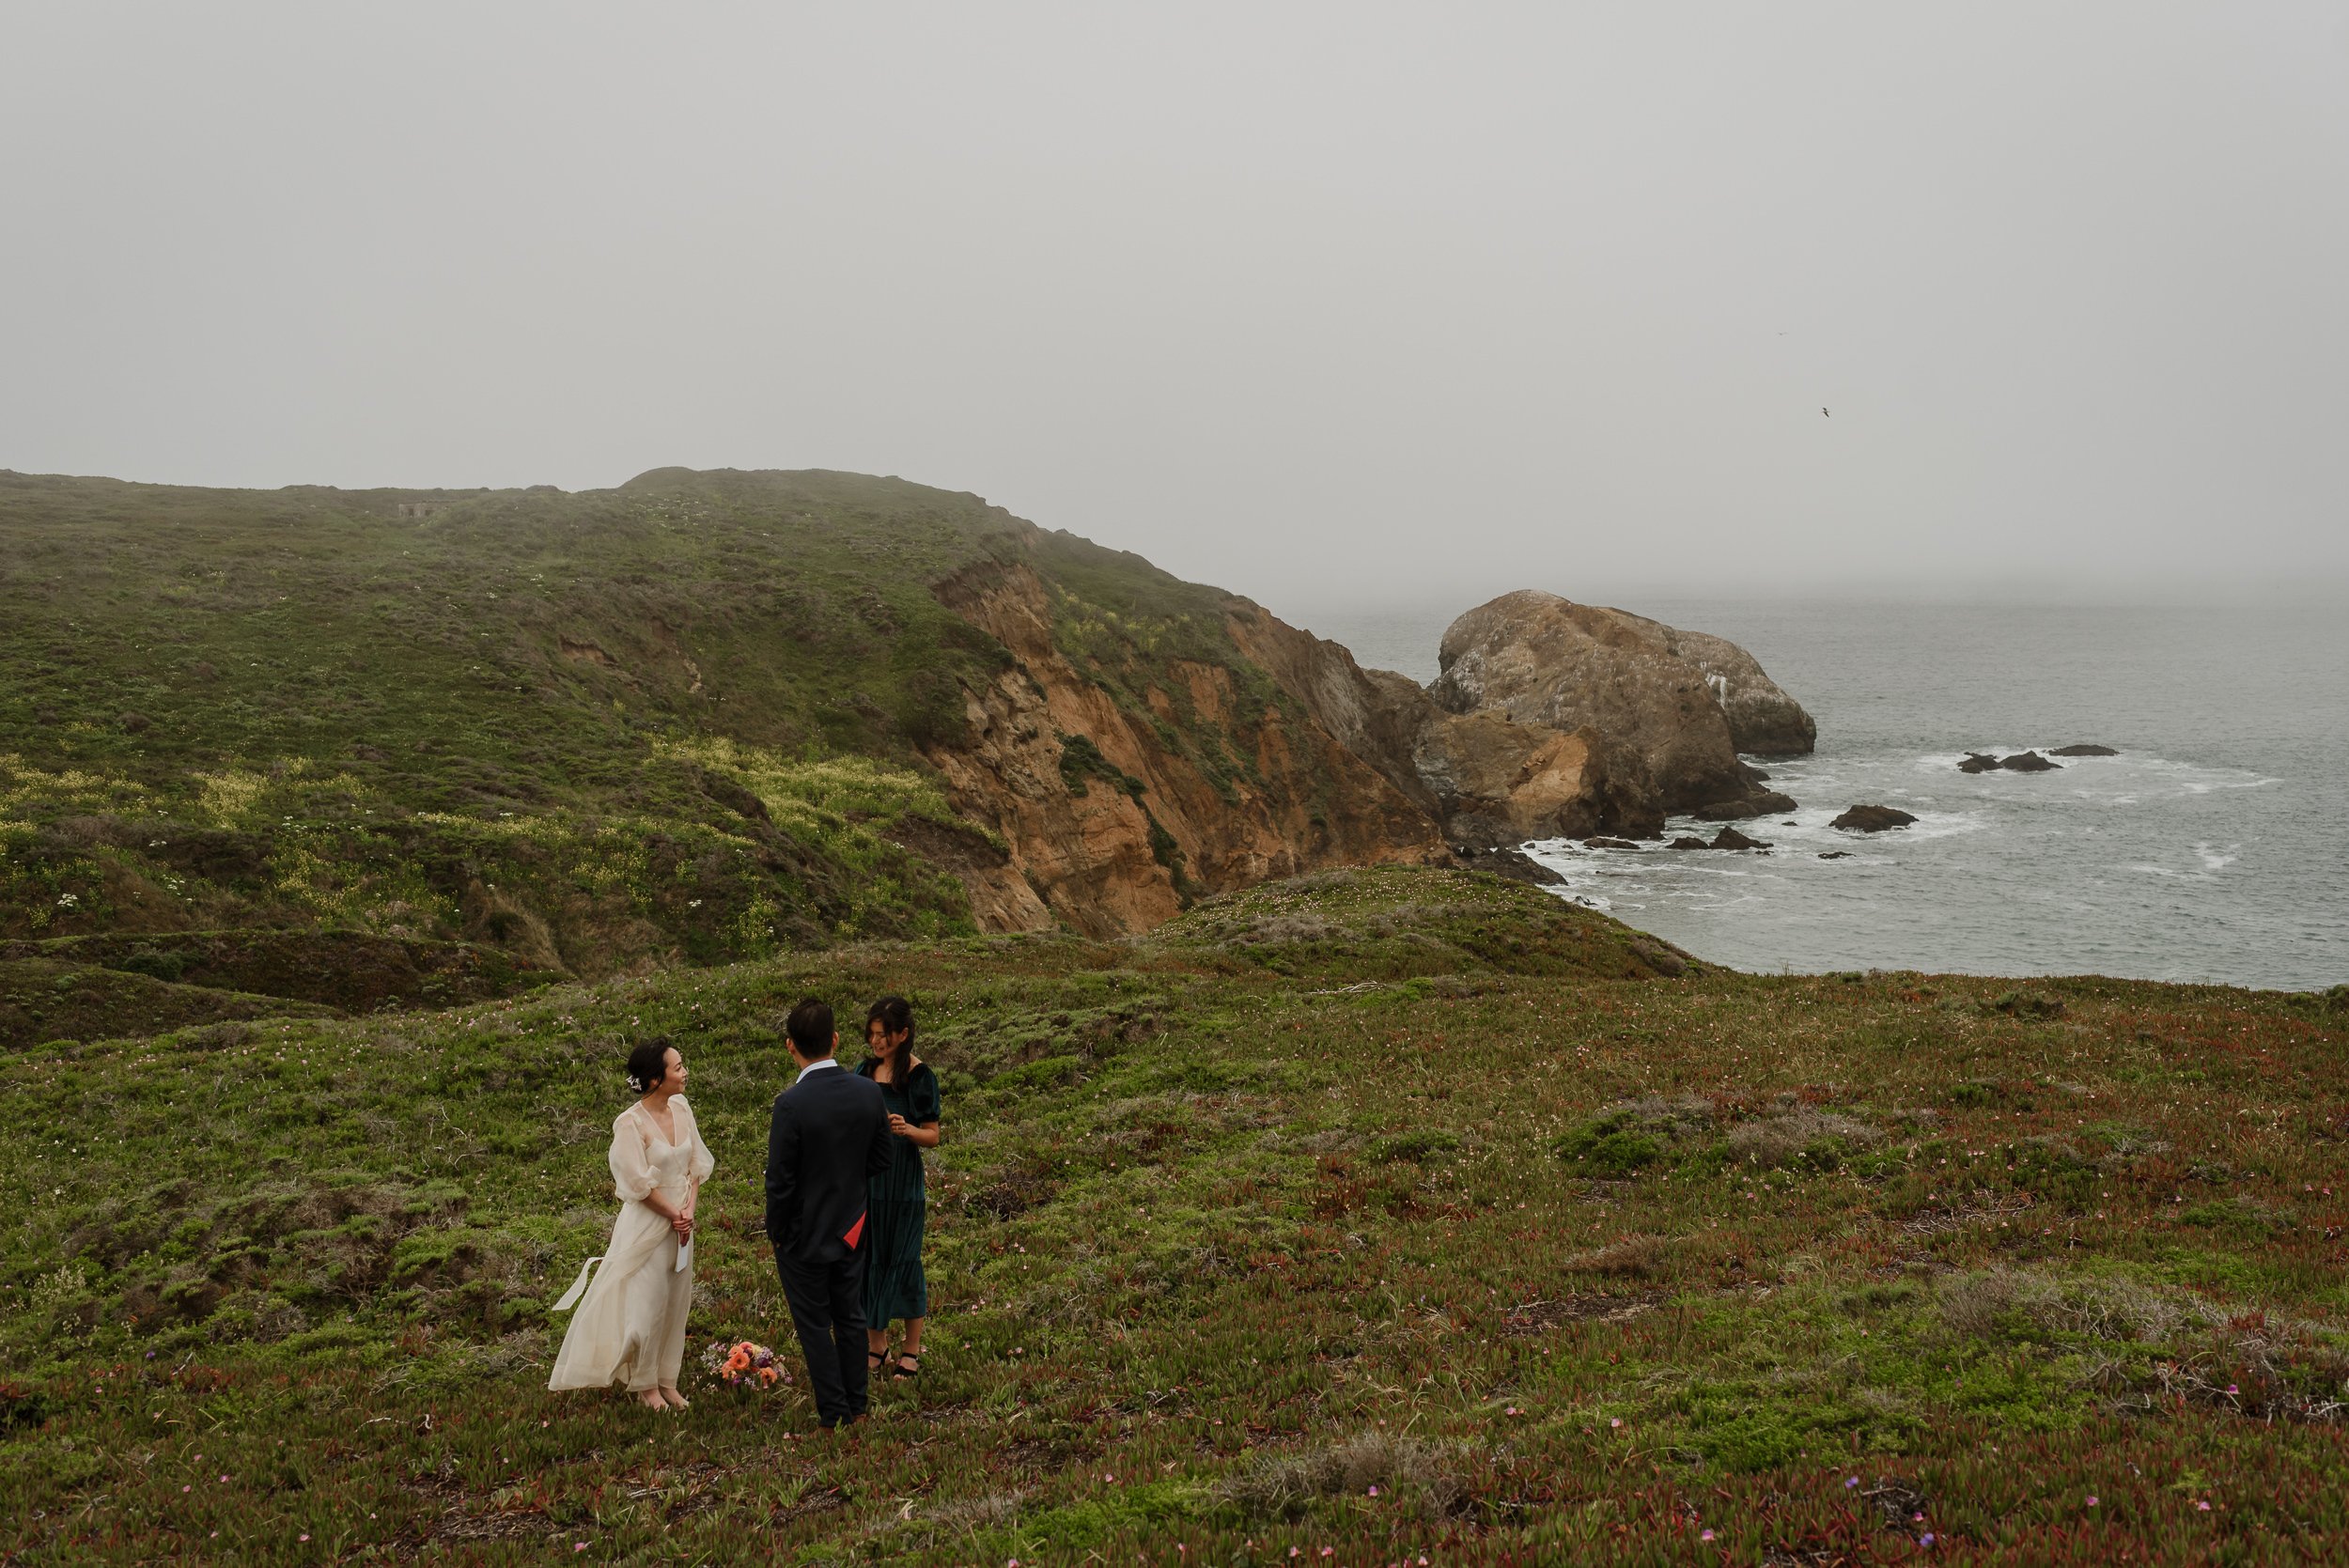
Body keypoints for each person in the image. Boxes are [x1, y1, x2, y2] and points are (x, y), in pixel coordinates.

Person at [548, 1039, 713, 1410]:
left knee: (675, 1302)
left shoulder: (683, 1108)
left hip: (681, 1225)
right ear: (655, 1079)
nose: (685, 1073)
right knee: (647, 1308)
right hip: (649, 1225)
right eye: (678, 1068)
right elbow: (635, 1186)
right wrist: (673, 1213)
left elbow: (696, 1166)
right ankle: (645, 1385)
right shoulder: (629, 1124)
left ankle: (666, 1379)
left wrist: (689, 1209)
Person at [765, 998, 894, 1429]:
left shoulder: (790, 1105)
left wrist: (779, 1231)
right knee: (851, 1316)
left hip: (802, 1235)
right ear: (835, 1040)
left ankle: (834, 1413)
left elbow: (780, 1181)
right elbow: (881, 1158)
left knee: (814, 1325)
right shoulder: (868, 1091)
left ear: (790, 1047)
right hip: (852, 1227)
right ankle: (857, 1406)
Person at [856, 996, 941, 1381]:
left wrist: (907, 1130)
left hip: (903, 1183)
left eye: (884, 1036)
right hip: (869, 1181)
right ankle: (876, 1345)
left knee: (904, 1260)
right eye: (873, 1035)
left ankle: (911, 1349)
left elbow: (934, 1136)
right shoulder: (863, 1070)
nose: (876, 1042)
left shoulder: (920, 1077)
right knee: (869, 1260)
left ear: (903, 1034)